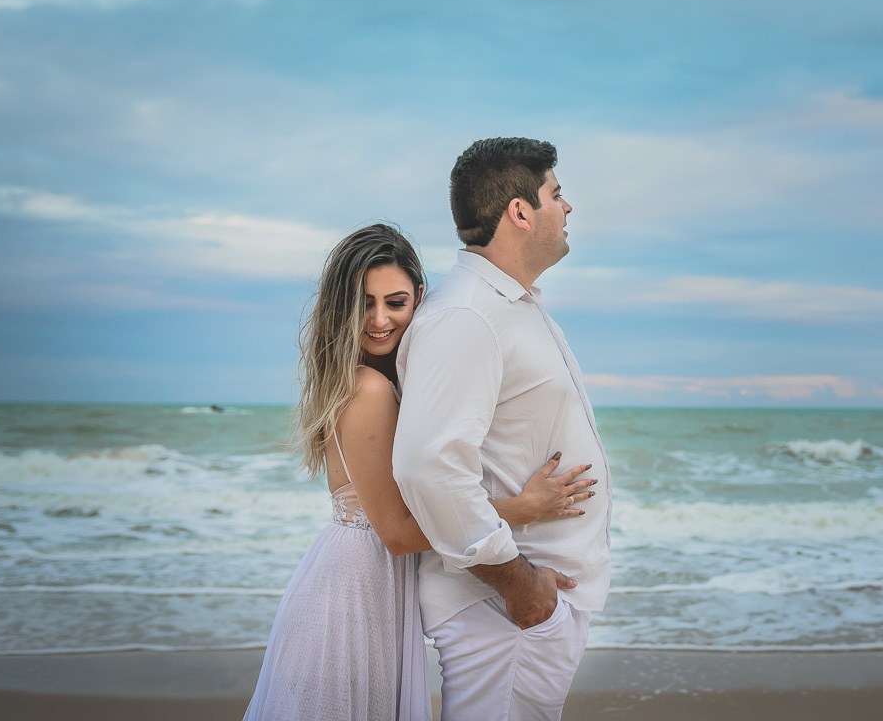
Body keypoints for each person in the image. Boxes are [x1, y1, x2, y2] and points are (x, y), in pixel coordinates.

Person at [243, 223, 595, 721]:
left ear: (419, 297)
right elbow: (398, 533)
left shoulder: (376, 381)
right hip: (353, 593)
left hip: (371, 586)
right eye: (364, 304)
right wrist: (525, 508)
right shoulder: (368, 389)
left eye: (395, 302)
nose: (379, 319)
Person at [393, 138, 612, 720]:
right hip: (504, 609)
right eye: (555, 194)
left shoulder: (509, 306)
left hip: (525, 604)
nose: (568, 207)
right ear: (520, 212)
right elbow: (429, 467)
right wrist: (520, 584)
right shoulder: (467, 315)